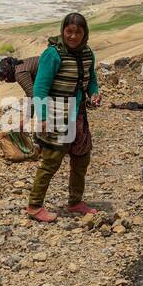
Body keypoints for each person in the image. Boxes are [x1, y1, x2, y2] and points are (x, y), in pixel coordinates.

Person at [27, 12, 100, 222]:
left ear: (85, 33)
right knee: (50, 162)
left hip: (78, 116)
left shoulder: (87, 53)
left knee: (81, 158)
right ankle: (34, 206)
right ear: (63, 31)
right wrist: (41, 117)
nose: (73, 36)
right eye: (69, 31)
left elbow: (91, 78)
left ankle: (75, 202)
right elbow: (40, 87)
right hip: (56, 115)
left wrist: (93, 93)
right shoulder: (52, 54)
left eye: (78, 32)